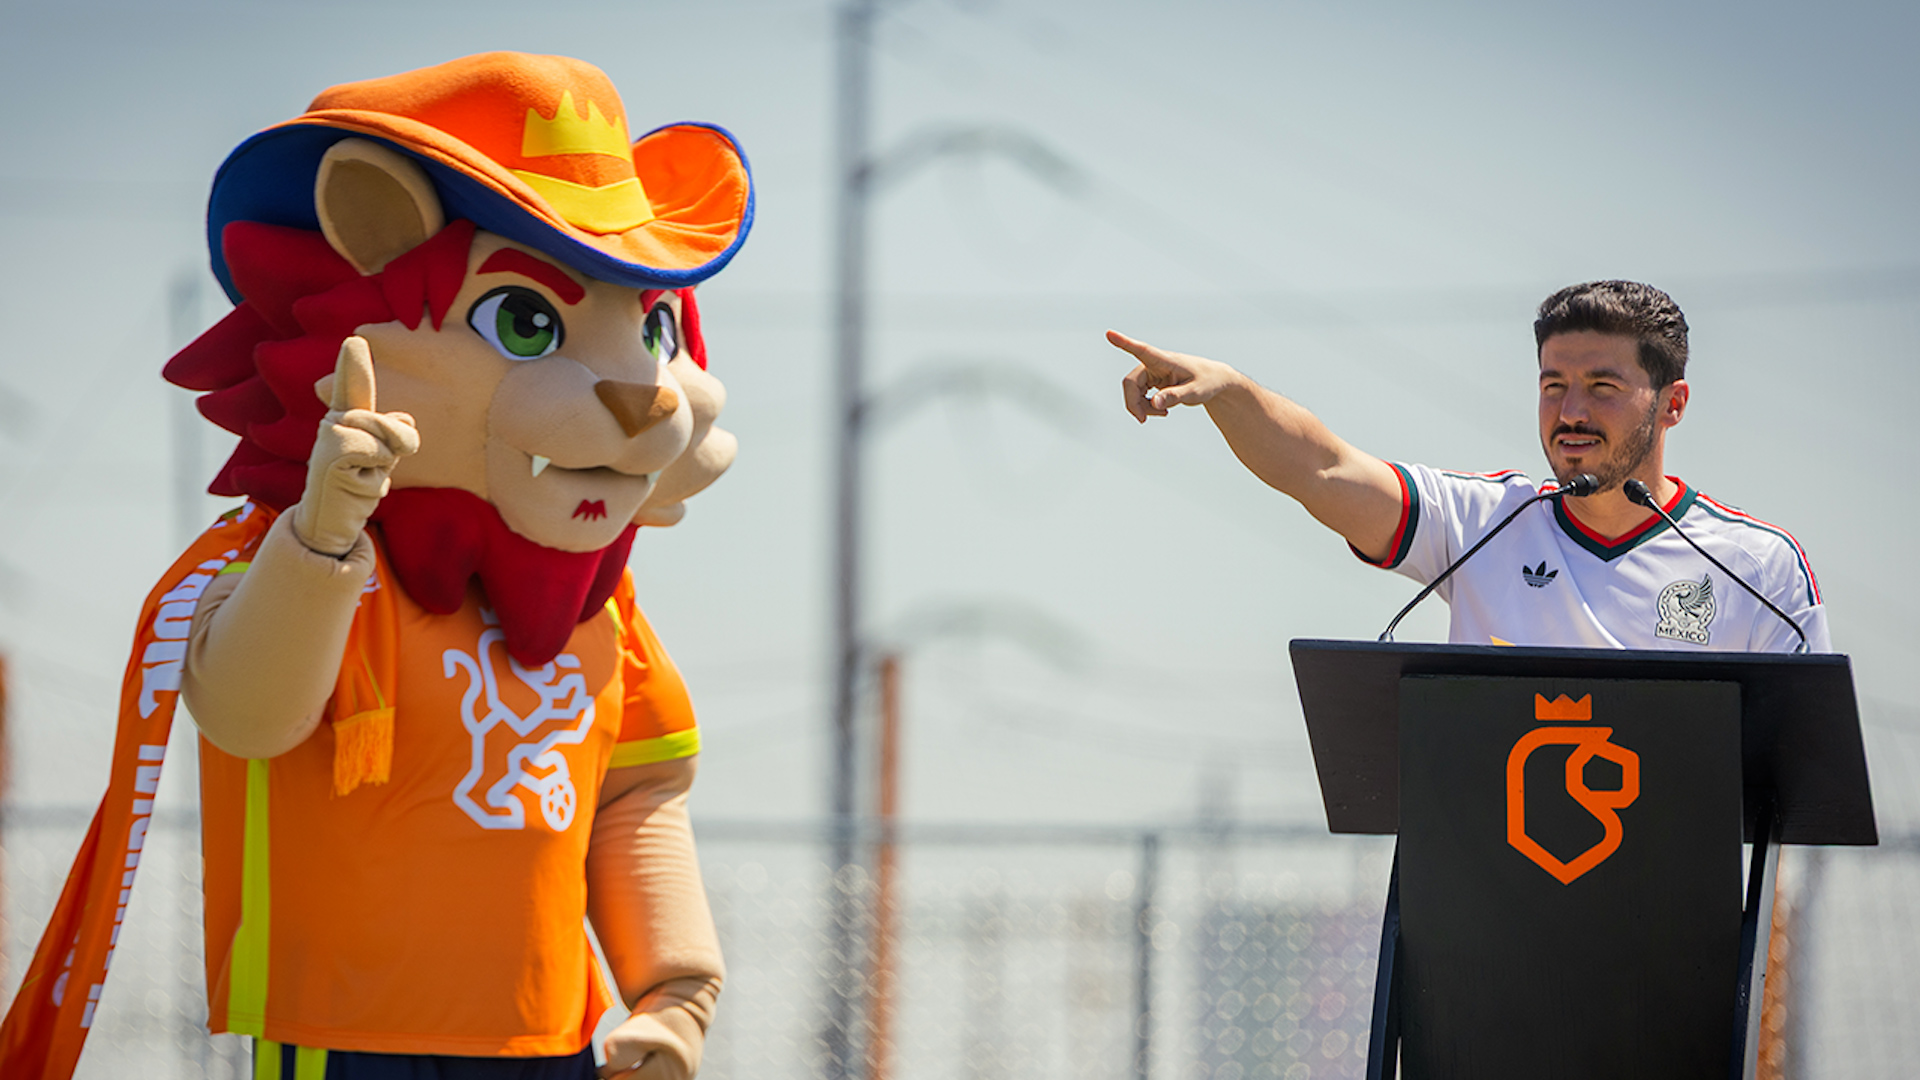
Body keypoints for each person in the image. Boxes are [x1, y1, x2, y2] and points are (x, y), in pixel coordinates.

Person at [1111, 279, 1827, 652]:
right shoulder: (1484, 522)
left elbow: (1792, 788)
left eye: (1602, 387)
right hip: (1483, 924)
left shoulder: (1755, 567)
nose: (1570, 410)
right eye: (1553, 385)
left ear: (1672, 405)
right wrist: (1232, 391)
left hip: (1674, 932)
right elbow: (1321, 469)